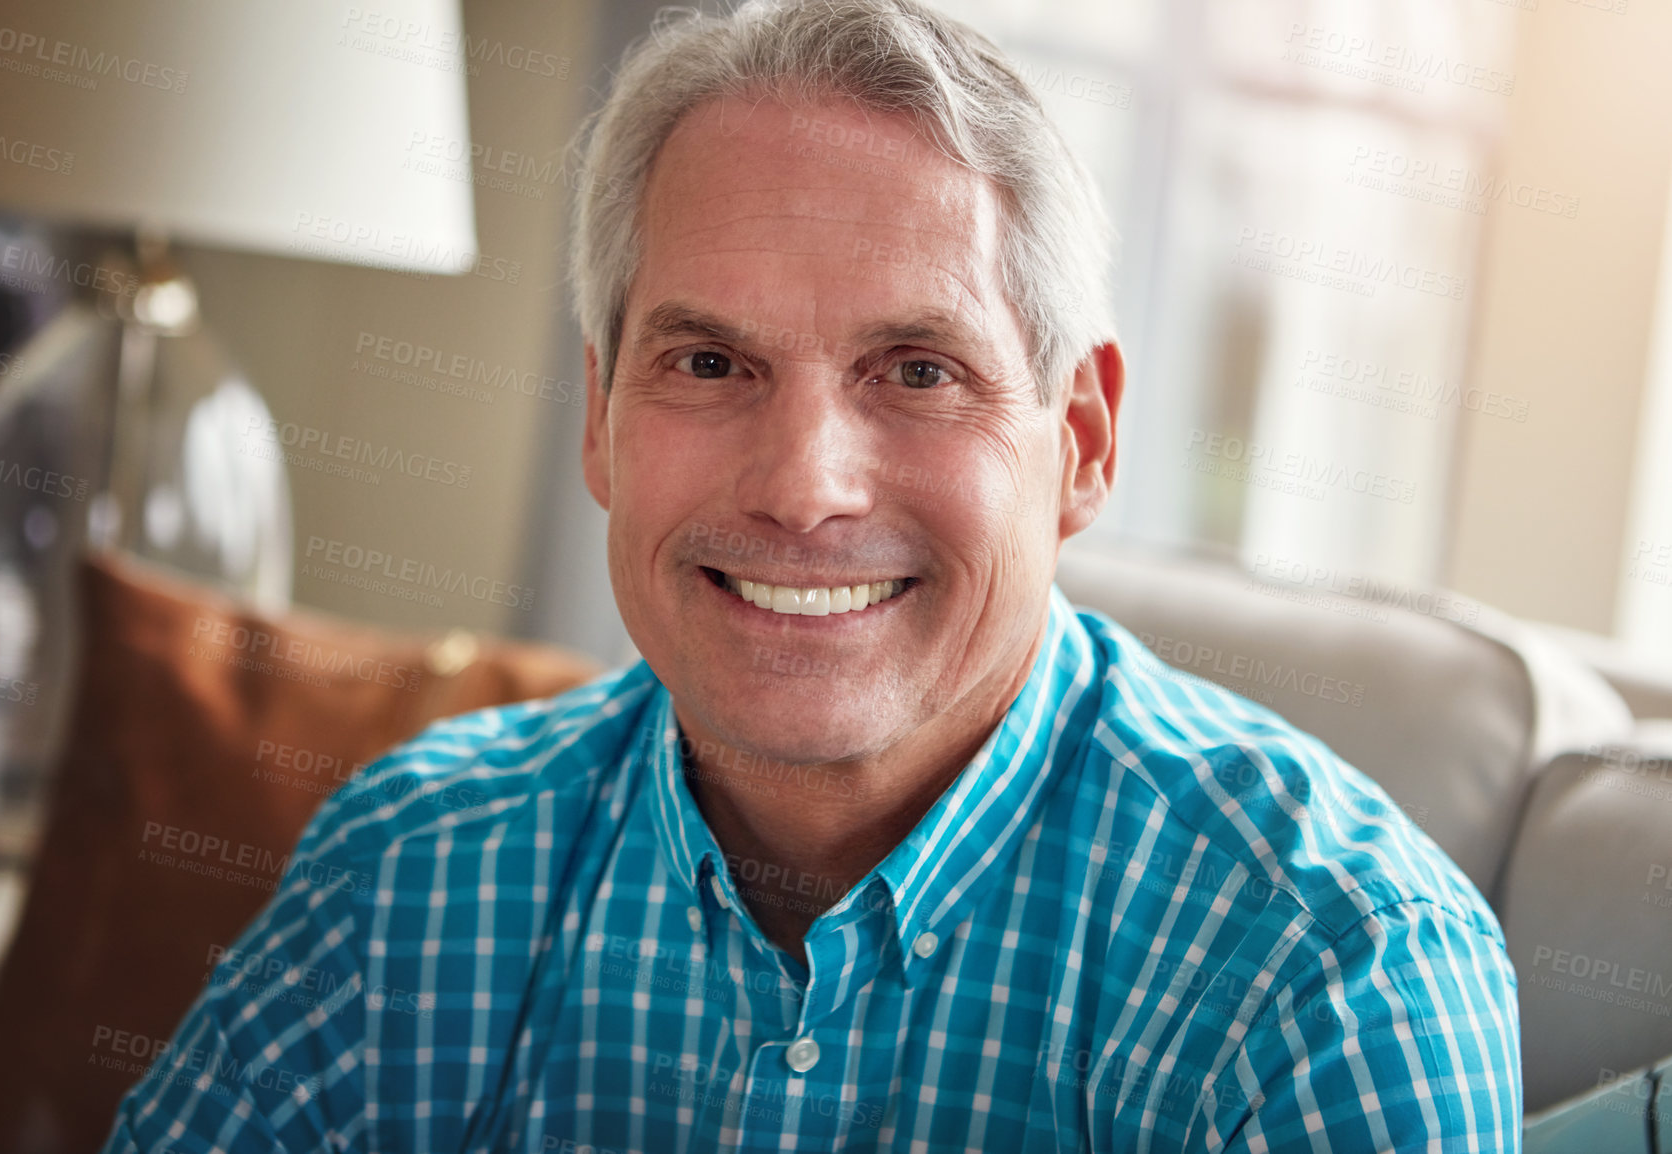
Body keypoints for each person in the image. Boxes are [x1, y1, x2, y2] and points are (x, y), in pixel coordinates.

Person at [104, 0, 1521, 1149]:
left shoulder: (1324, 976)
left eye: (917, 370)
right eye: (711, 362)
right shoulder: (408, 875)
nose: (800, 485)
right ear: (602, 419)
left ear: (1080, 440)